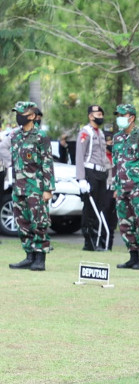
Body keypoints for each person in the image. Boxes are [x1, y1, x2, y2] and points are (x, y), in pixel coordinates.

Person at [8, 101, 54, 271]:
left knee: (39, 222)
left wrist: (48, 189)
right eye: (17, 113)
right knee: (22, 222)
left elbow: (47, 163)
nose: (19, 116)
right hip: (19, 187)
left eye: (22, 113)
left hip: (36, 188)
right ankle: (29, 256)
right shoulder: (15, 136)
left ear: (33, 116)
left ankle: (40, 258)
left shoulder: (41, 136)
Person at [111, 104, 139, 270]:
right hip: (122, 187)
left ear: (132, 117)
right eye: (118, 114)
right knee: (124, 223)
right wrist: (115, 186)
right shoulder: (118, 138)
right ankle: (132, 256)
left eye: (123, 114)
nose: (120, 117)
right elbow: (116, 163)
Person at [75, 104, 112, 251]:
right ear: (90, 116)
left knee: (100, 206)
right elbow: (79, 155)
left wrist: (109, 177)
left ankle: (98, 240)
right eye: (98, 114)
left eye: (102, 114)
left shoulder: (101, 133)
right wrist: (81, 178)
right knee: (90, 208)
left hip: (101, 173)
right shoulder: (86, 132)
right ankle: (88, 241)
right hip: (90, 172)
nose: (100, 117)